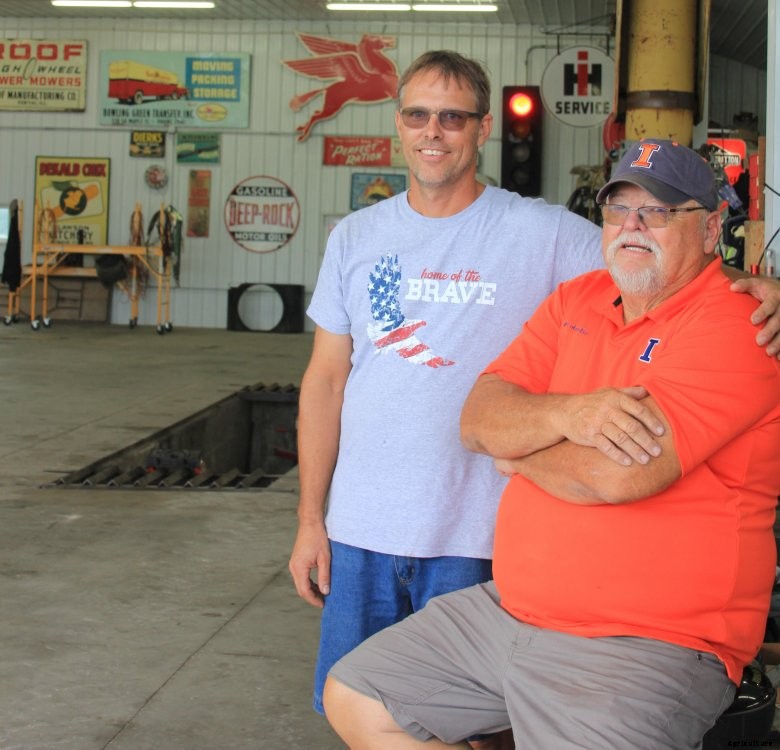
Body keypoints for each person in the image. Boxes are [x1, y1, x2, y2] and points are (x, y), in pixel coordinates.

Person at [288, 48, 780, 740]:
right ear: (398, 124)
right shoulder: (358, 238)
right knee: (359, 697)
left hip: (492, 546)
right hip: (375, 532)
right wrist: (313, 519)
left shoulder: (547, 235)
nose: (633, 226)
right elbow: (349, 387)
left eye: (452, 118)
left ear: (483, 128)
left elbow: (618, 462)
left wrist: (760, 285)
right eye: (419, 115)